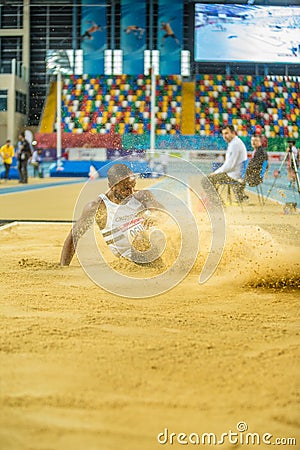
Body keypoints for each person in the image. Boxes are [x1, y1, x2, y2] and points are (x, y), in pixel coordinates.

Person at [60, 164, 165, 267]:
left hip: (153, 244)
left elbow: (160, 211)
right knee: (140, 239)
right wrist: (63, 267)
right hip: (130, 257)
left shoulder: (142, 196)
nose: (131, 192)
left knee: (155, 232)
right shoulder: (98, 207)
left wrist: (154, 215)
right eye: (125, 189)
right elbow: (74, 235)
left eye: (133, 186)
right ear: (111, 186)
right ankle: (160, 269)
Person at [206, 125, 248, 202]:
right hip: (233, 173)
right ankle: (218, 202)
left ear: (233, 133)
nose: (224, 136)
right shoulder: (234, 143)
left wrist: (215, 173)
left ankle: (217, 204)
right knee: (211, 178)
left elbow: (229, 166)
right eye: (223, 134)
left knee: (206, 180)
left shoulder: (235, 144)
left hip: (233, 175)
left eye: (226, 133)